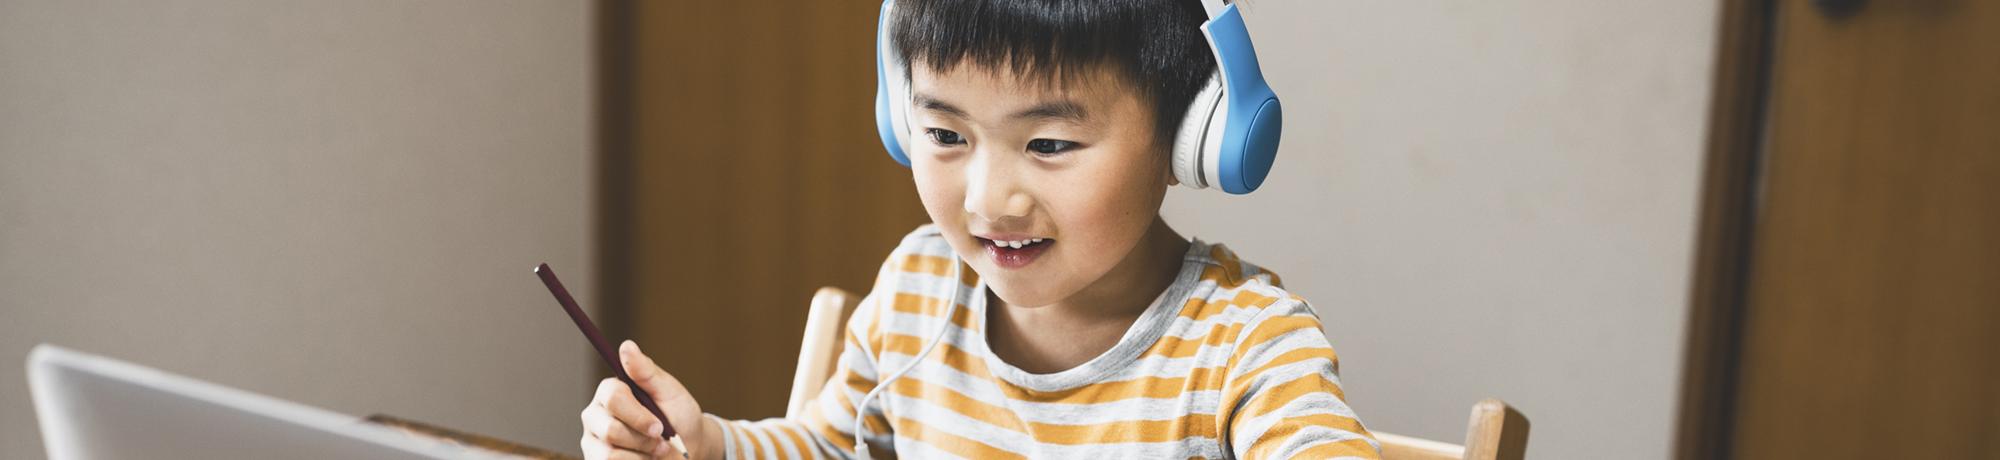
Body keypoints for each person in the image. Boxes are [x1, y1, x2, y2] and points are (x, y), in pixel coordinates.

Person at [580, 0, 1378, 458]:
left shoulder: (1249, 343)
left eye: (1051, 145)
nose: (989, 200)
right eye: (946, 136)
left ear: (1186, 142)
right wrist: (705, 444)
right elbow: (830, 446)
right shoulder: (920, 288)